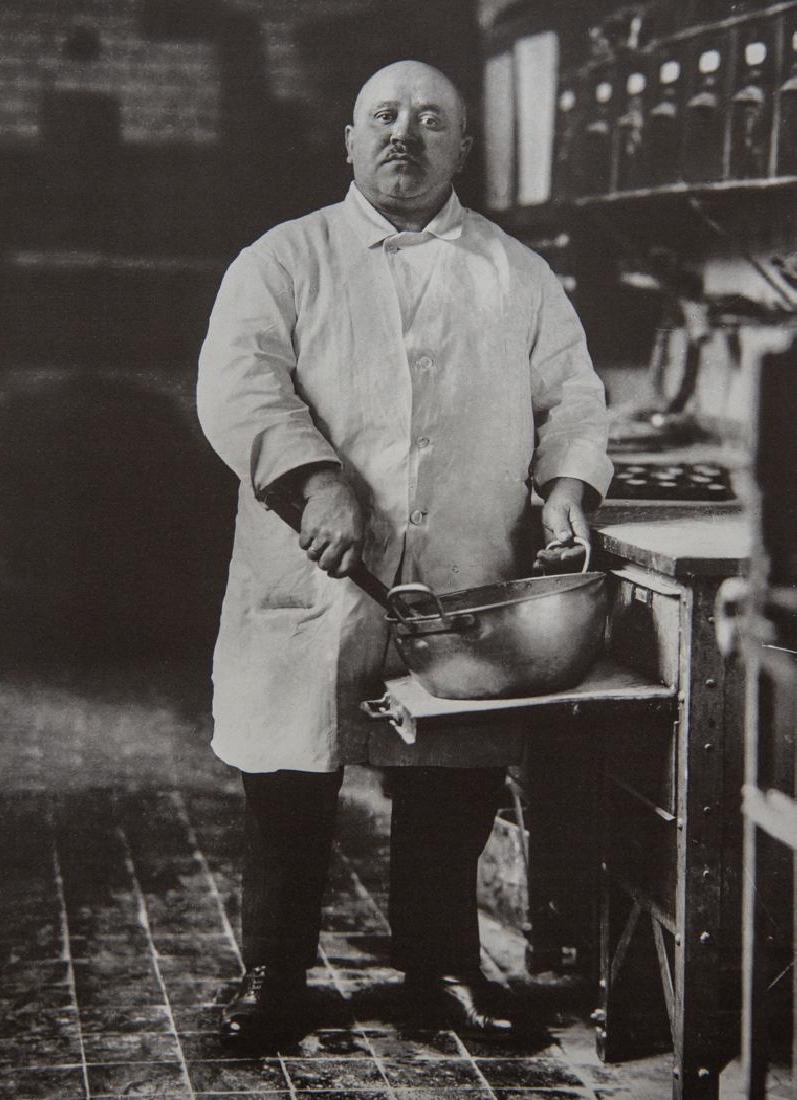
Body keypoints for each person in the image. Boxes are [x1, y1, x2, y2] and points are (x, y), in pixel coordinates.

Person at [198, 59, 612, 1050]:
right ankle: (276, 973)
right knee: (292, 774)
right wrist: (312, 477)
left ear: (462, 146)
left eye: (432, 119)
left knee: (450, 781)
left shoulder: (515, 272)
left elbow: (575, 400)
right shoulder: (285, 259)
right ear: (347, 138)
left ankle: (441, 969)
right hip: (317, 570)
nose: (405, 134)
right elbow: (237, 383)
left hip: (461, 575)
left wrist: (565, 488)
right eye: (383, 115)